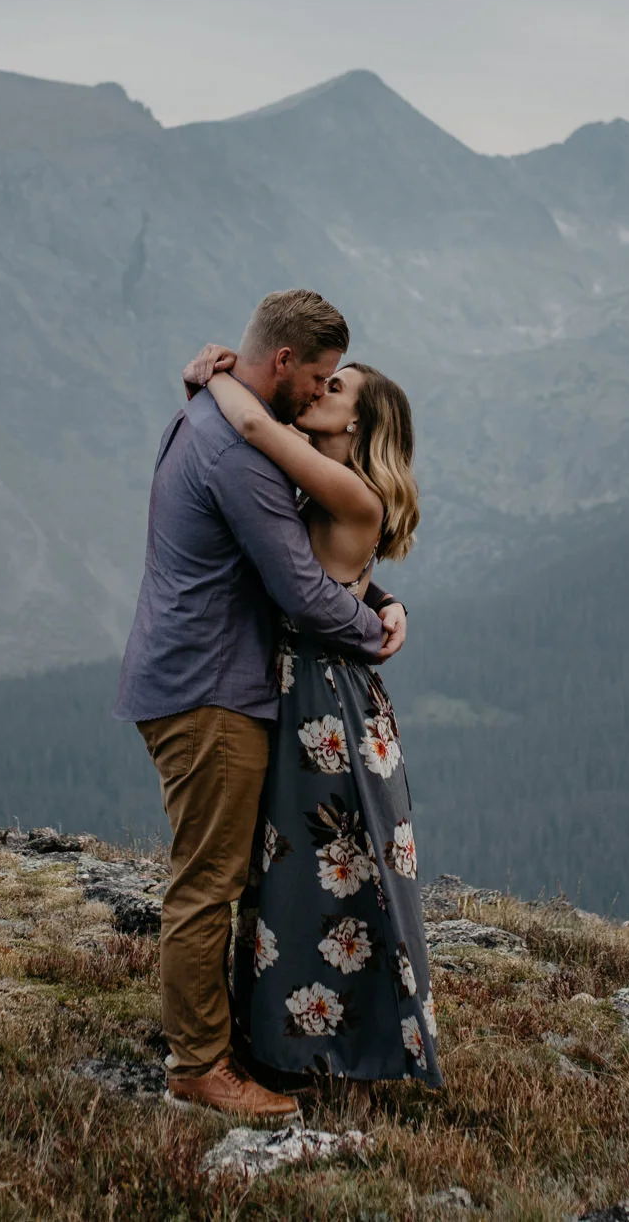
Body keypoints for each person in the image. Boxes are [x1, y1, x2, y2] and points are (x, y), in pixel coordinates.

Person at [113, 289, 407, 1121]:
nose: (317, 392)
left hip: (200, 677)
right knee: (210, 881)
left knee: (235, 873)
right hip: (211, 690)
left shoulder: (207, 414)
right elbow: (304, 590)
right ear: (283, 362)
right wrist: (377, 629)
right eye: (318, 377)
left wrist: (378, 594)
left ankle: (228, 1037)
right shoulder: (239, 452)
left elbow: (313, 548)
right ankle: (199, 1065)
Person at [187, 346, 442, 1090]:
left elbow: (256, 429)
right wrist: (384, 600)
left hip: (325, 704)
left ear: (359, 421)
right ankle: (295, 1040)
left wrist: (214, 379)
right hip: (307, 694)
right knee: (300, 867)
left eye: (336, 387)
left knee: (323, 870)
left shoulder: (353, 493)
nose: (319, 391)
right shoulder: (331, 488)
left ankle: (322, 1049)